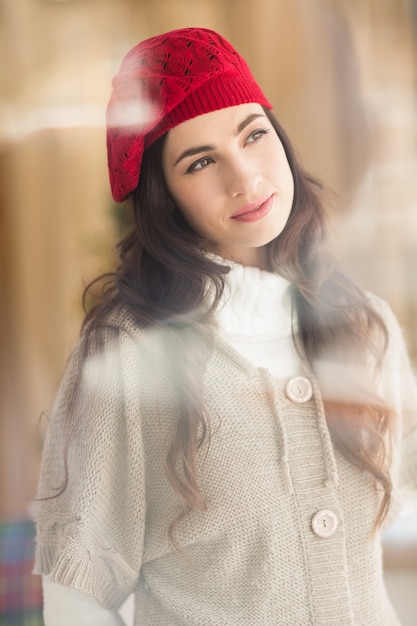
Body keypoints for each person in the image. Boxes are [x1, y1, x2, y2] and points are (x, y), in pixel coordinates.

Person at [34, 27, 417, 625]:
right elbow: (78, 598)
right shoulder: (129, 354)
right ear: (166, 195)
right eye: (201, 161)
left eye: (254, 135)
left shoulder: (367, 326)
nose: (245, 178)